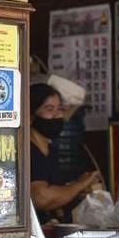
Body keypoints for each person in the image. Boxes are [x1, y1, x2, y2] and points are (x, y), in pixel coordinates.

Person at [30, 83, 99, 223]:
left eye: (59, 109)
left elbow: (56, 192)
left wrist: (76, 192)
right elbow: (41, 198)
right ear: (31, 115)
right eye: (49, 109)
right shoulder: (29, 152)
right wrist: (79, 185)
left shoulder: (51, 151)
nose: (57, 115)